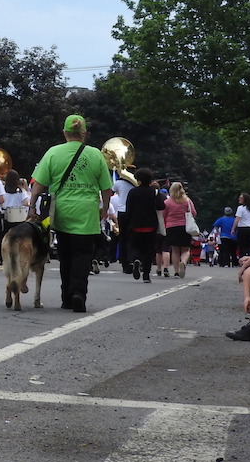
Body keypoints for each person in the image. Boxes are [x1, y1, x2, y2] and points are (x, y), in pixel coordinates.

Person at [28, 114, 112, 313]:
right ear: (84, 133)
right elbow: (106, 188)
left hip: (62, 211)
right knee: (83, 255)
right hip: (87, 213)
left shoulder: (53, 153)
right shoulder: (95, 154)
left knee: (65, 255)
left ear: (65, 132)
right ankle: (79, 293)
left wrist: (32, 207)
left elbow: (38, 185)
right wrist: (105, 209)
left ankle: (66, 297)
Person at [123, 168, 164, 282]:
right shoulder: (154, 192)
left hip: (135, 224)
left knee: (135, 247)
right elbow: (161, 206)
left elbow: (128, 209)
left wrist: (128, 224)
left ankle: (136, 259)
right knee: (149, 250)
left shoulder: (133, 192)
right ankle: (146, 275)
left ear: (139, 180)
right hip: (150, 225)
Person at [161, 181, 195, 278]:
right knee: (186, 249)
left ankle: (176, 271)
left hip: (171, 227)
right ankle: (183, 262)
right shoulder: (187, 201)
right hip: (185, 227)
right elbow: (193, 212)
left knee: (175, 250)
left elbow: (163, 215)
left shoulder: (167, 202)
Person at [235, 193, 250, 258]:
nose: (239, 199)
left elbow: (237, 218)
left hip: (242, 228)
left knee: (242, 245)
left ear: (245, 199)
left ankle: (242, 258)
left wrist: (233, 228)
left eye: (241, 198)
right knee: (249, 245)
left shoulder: (240, 208)